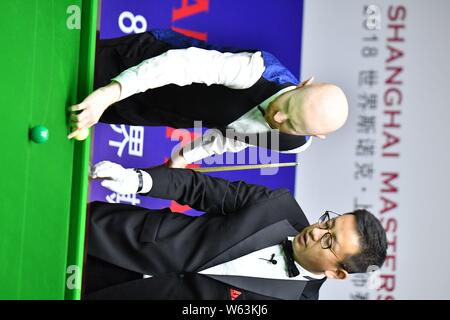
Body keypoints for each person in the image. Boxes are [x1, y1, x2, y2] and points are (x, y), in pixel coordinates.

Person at [83, 161, 387, 300]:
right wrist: (139, 181)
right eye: (328, 222)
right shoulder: (278, 205)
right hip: (114, 234)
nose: (318, 232)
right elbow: (199, 188)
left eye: (330, 240)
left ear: (338, 273)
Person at [68, 30, 349, 168]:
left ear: (315, 135)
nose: (278, 118)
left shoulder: (292, 145)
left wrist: (181, 158)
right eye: (287, 107)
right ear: (304, 83)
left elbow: (236, 137)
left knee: (71, 117)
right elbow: (178, 66)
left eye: (291, 123)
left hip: (159, 110)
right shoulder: (256, 71)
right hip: (145, 61)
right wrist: (109, 93)